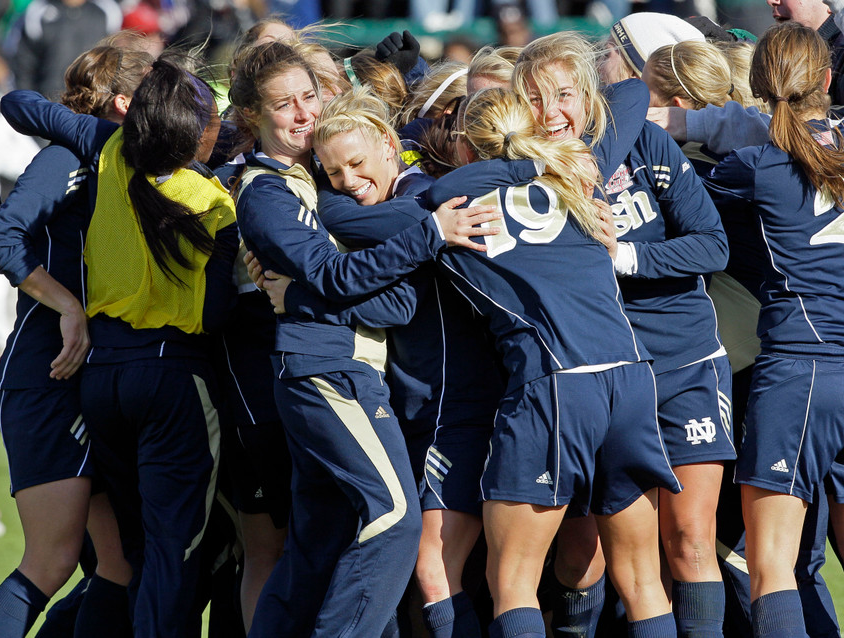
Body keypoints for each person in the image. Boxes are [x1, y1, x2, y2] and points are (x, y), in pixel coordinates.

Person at [228, 41, 499, 637]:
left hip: (337, 367)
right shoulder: (267, 193)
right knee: (396, 519)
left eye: (308, 97)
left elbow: (391, 302)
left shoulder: (319, 187)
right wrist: (430, 232)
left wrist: (298, 295)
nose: (303, 114)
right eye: (283, 105)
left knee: (317, 544)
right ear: (251, 117)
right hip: (326, 370)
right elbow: (333, 276)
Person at [423, 86, 682, 638]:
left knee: (511, 578)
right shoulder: (571, 178)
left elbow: (413, 203)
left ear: (467, 146)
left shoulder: (456, 205)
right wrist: (546, 155)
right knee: (642, 577)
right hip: (632, 378)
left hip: (556, 383)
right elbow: (632, 92)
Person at [513, 31, 732, 637]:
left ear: (587, 96)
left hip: (684, 362)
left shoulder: (644, 142)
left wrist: (623, 257)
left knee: (688, 541)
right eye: (534, 98)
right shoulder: (520, 179)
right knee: (584, 557)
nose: (552, 111)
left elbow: (712, 244)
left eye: (563, 94)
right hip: (599, 382)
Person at [308, 86, 506, 638]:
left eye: (356, 163)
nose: (347, 181)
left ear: (390, 148)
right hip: (416, 407)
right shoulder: (402, 212)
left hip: (458, 406)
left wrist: (306, 283)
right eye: (331, 172)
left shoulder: (422, 196)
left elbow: (401, 296)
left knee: (433, 568)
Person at [0, 43, 151, 637]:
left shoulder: (125, 159)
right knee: (50, 562)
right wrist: (66, 305)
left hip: (93, 378)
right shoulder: (67, 156)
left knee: (121, 566)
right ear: (124, 101)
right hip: (44, 374)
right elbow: (3, 240)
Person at [703, 21, 844, 637]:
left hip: (800, 371)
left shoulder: (752, 166)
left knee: (771, 567)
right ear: (829, 78)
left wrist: (691, 122)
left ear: (758, 86)